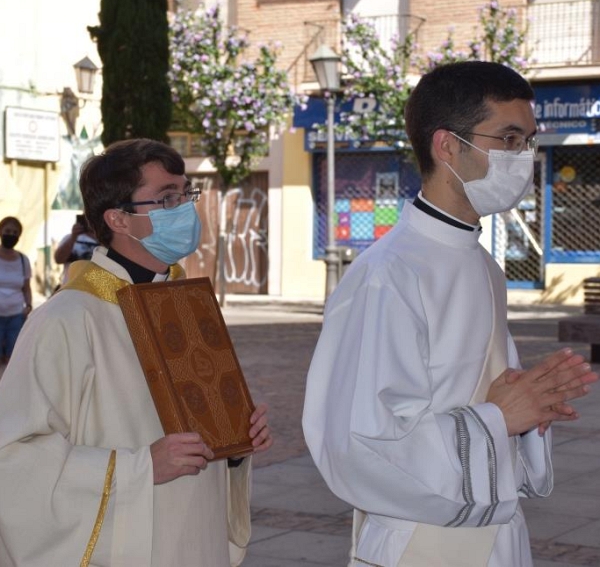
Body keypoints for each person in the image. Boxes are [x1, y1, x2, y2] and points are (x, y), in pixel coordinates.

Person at [302, 61, 599, 567]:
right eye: (508, 139)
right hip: (422, 540)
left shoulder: (484, 265)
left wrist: (528, 410)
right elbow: (356, 444)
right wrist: (498, 417)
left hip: (495, 529)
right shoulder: (388, 274)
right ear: (447, 146)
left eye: (528, 140)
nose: (523, 157)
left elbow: (483, 395)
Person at [0, 139, 272, 566]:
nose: (184, 208)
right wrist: (139, 468)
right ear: (118, 219)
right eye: (166, 198)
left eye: (185, 193)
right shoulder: (67, 318)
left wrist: (235, 446)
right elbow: (12, 457)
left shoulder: (188, 307)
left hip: (197, 539)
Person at [0, 216, 32, 368]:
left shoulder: (22, 260)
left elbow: (26, 286)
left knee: (12, 357)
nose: (10, 235)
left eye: (14, 232)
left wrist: (29, 305)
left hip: (16, 316)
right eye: (7, 231)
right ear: (1, 232)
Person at [54, 212, 99, 285]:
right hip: (71, 288)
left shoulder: (105, 241)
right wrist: (73, 237)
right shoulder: (69, 238)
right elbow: (58, 259)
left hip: (95, 289)